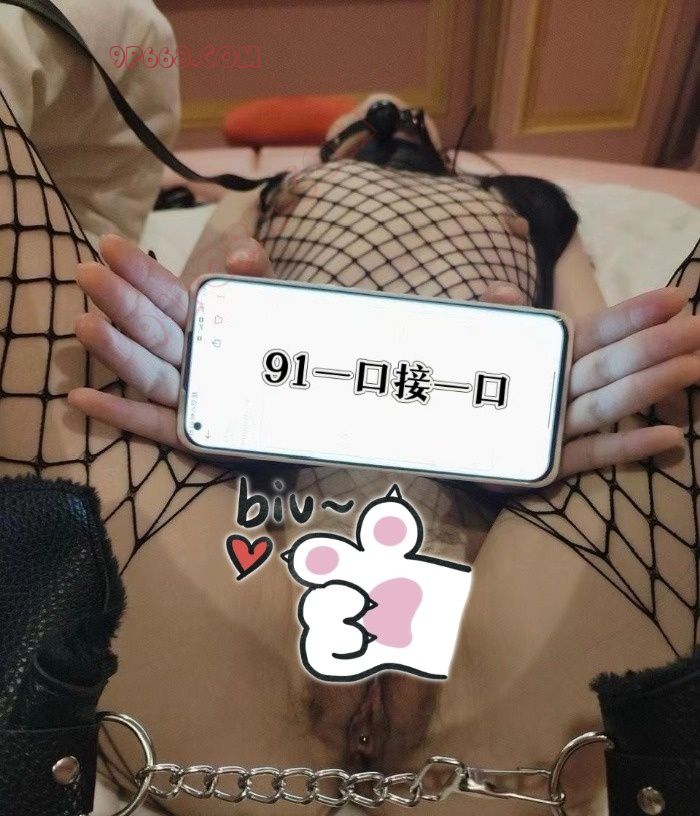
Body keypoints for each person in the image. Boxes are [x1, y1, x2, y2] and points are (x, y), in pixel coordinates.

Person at [1, 62, 699, 816]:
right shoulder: (260, 191)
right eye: (361, 113)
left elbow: (598, 359)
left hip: (510, 626)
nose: (385, 109)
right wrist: (232, 395)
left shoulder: (536, 202)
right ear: (325, 147)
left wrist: (528, 425)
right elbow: (185, 316)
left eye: (406, 110)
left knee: (666, 371)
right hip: (238, 580)